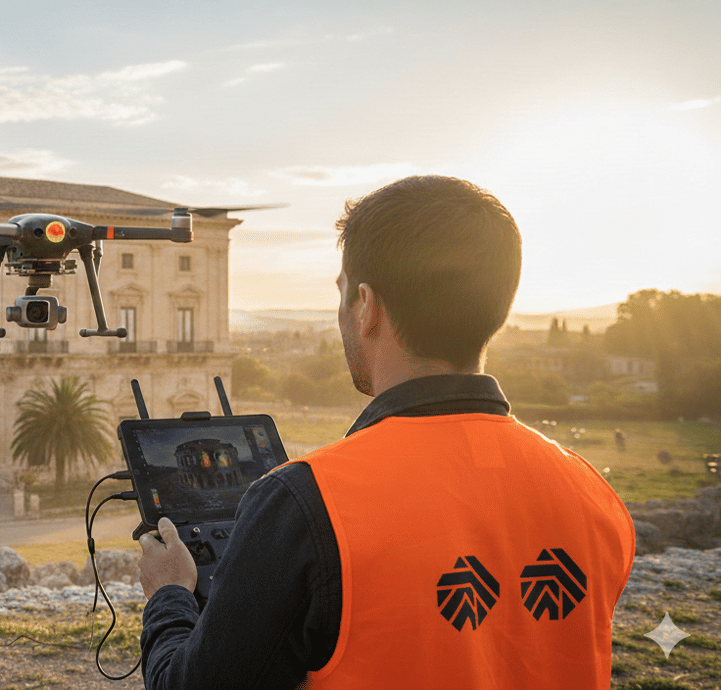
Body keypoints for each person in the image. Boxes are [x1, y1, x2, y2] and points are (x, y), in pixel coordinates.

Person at [138, 175, 635, 689]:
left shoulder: (305, 502)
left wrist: (169, 594)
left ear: (367, 306)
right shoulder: (593, 494)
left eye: (342, 294)